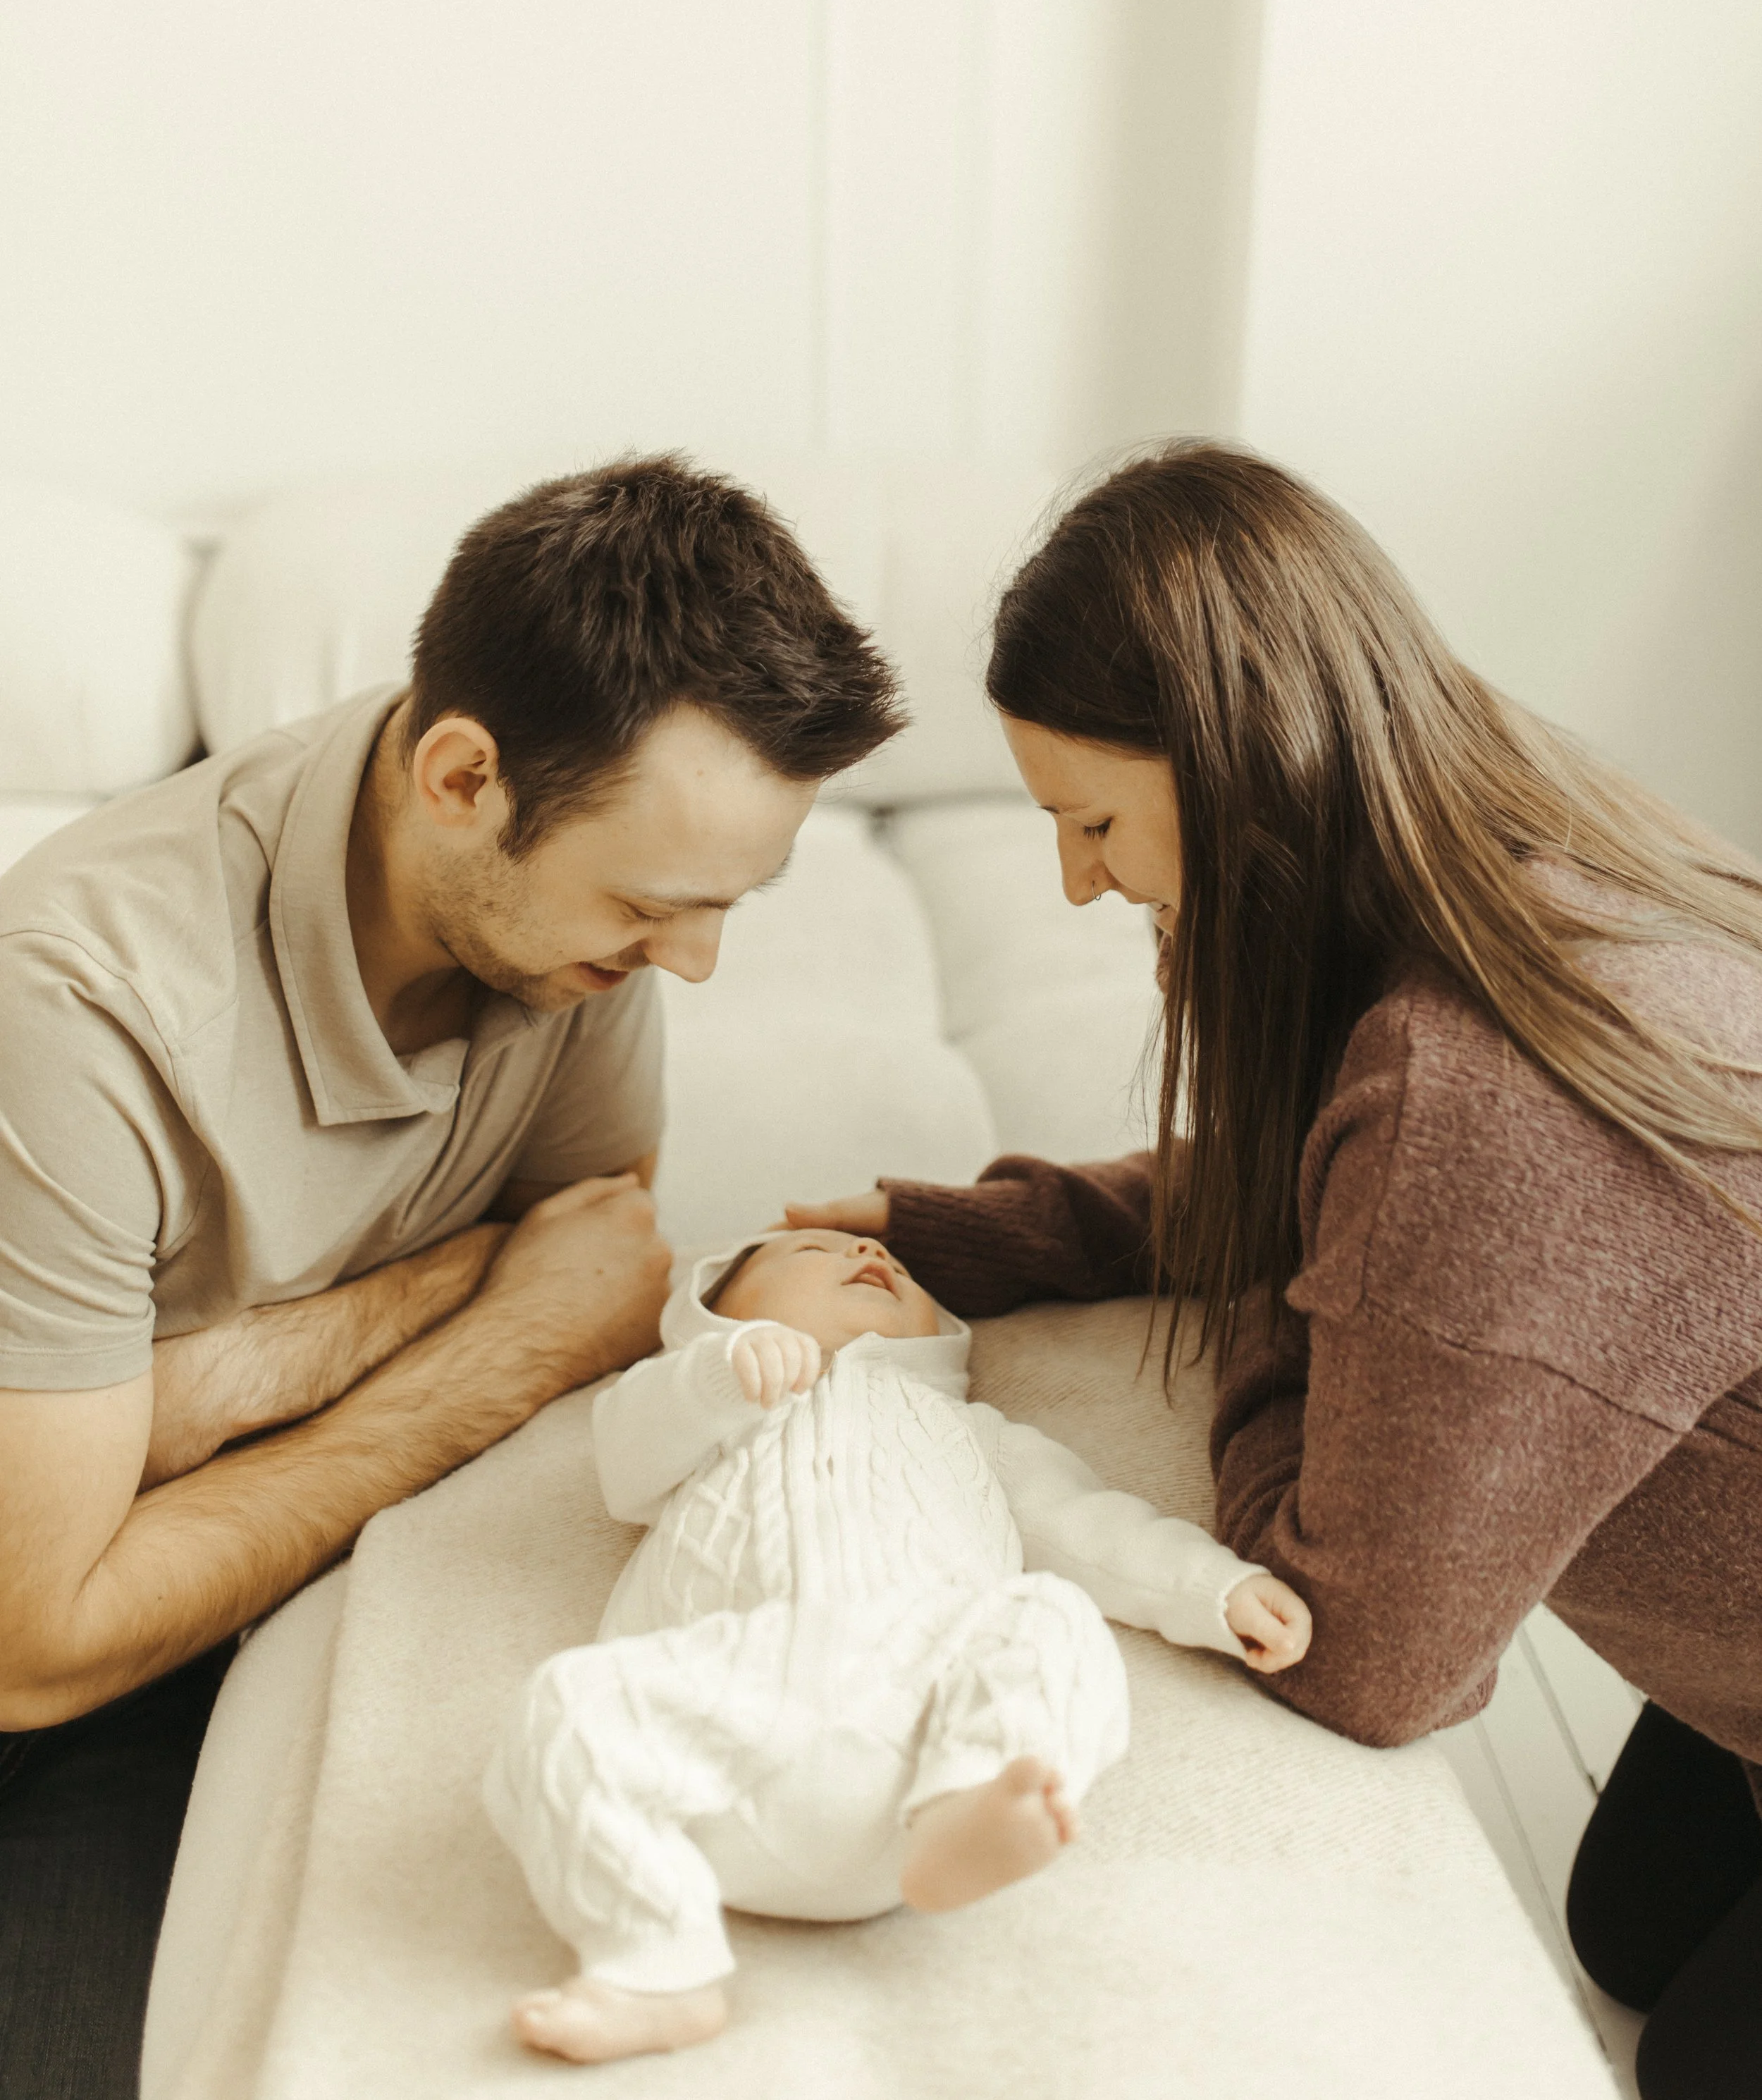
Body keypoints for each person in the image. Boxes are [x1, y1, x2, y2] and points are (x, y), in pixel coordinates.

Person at [790, 442, 1762, 2100]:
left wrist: (1278, 1306)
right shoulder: (1506, 844)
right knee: (1623, 1934)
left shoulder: (1487, 1097)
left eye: (1092, 821)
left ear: (1241, 768)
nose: (1078, 881)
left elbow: (1365, 1658)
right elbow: (1335, 1169)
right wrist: (988, 1231)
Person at [0, 454, 902, 2100]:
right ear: (461, 777)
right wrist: (493, 1345)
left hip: (227, 1577)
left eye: (721, 907)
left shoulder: (572, 927)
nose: (691, 962)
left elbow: (596, 1260)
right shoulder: (79, 1010)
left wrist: (217, 1385)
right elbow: (37, 1640)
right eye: (654, 906)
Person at [483, 1222, 1311, 2065]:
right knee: (566, 1701)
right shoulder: (714, 1411)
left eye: (895, 1264)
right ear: (717, 1310)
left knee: (1050, 1614)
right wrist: (717, 1373)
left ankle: (977, 1797)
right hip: (726, 1723)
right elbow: (625, 1458)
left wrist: (1214, 1590)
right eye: (812, 1252)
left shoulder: (974, 1433)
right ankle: (656, 1964)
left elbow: (1093, 1529)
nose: (869, 1255)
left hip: (918, 1747)